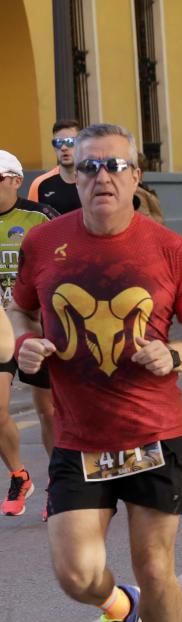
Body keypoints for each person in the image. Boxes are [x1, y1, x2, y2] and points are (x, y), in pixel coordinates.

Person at [11, 122, 182, 622]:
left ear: (136, 176)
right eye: (89, 167)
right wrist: (29, 342)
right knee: (76, 575)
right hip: (79, 437)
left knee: (155, 569)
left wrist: (174, 355)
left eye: (114, 166)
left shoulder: (170, 250)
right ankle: (117, 607)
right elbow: (22, 308)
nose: (102, 176)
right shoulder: (41, 243)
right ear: (73, 176)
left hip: (152, 433)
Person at [0, 150, 58, 519]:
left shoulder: (39, 218)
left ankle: (61, 482)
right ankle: (19, 475)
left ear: (15, 180)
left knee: (48, 411)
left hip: (35, 327)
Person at [30, 119, 82, 214]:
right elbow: (33, 222)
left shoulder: (93, 180)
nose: (63, 148)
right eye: (58, 142)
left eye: (70, 141)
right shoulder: (40, 184)